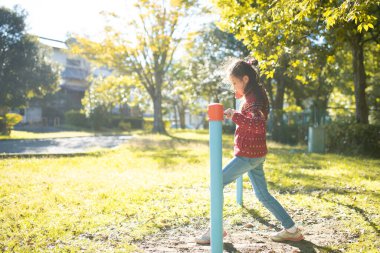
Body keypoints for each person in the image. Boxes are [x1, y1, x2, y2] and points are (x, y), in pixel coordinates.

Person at [195, 58, 304, 245]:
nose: (233, 87)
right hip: (256, 154)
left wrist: (236, 115)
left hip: (248, 155)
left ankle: (216, 229)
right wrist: (236, 109)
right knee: (262, 194)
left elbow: (257, 125)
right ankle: (291, 229)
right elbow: (251, 114)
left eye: (235, 83)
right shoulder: (255, 93)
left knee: (216, 182)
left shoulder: (253, 99)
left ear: (245, 79)